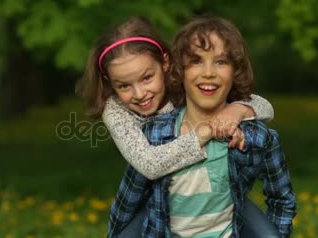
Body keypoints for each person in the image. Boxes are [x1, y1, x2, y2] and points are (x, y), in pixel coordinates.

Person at [76, 16, 281, 237]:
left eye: (146, 78)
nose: (139, 93)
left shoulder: (178, 82)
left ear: (164, 64)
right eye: (124, 85)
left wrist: (238, 110)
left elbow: (265, 107)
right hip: (153, 198)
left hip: (217, 196)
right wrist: (208, 130)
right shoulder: (115, 111)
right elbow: (150, 165)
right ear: (108, 80)